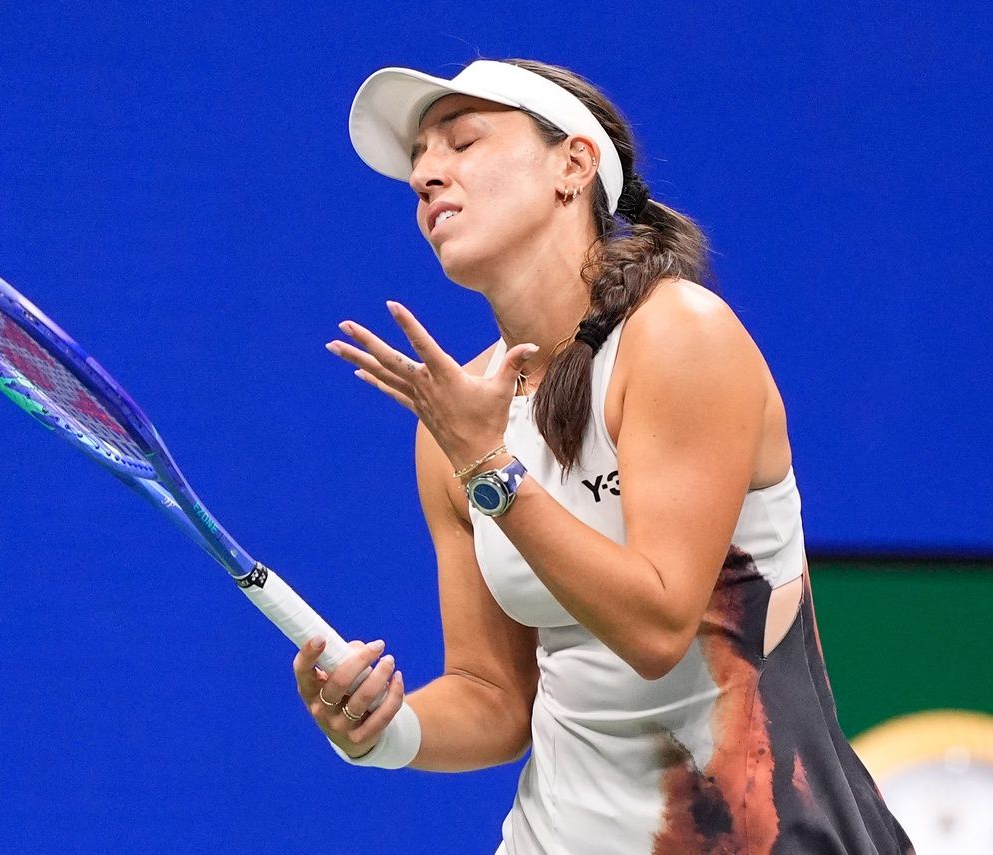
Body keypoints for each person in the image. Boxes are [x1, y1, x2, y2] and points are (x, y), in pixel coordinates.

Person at [292, 58, 914, 854]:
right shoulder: (458, 417)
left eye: (461, 141)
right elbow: (496, 696)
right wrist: (384, 728)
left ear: (573, 164)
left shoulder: (680, 336)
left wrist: (489, 466)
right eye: (418, 159)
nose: (425, 174)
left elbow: (657, 627)